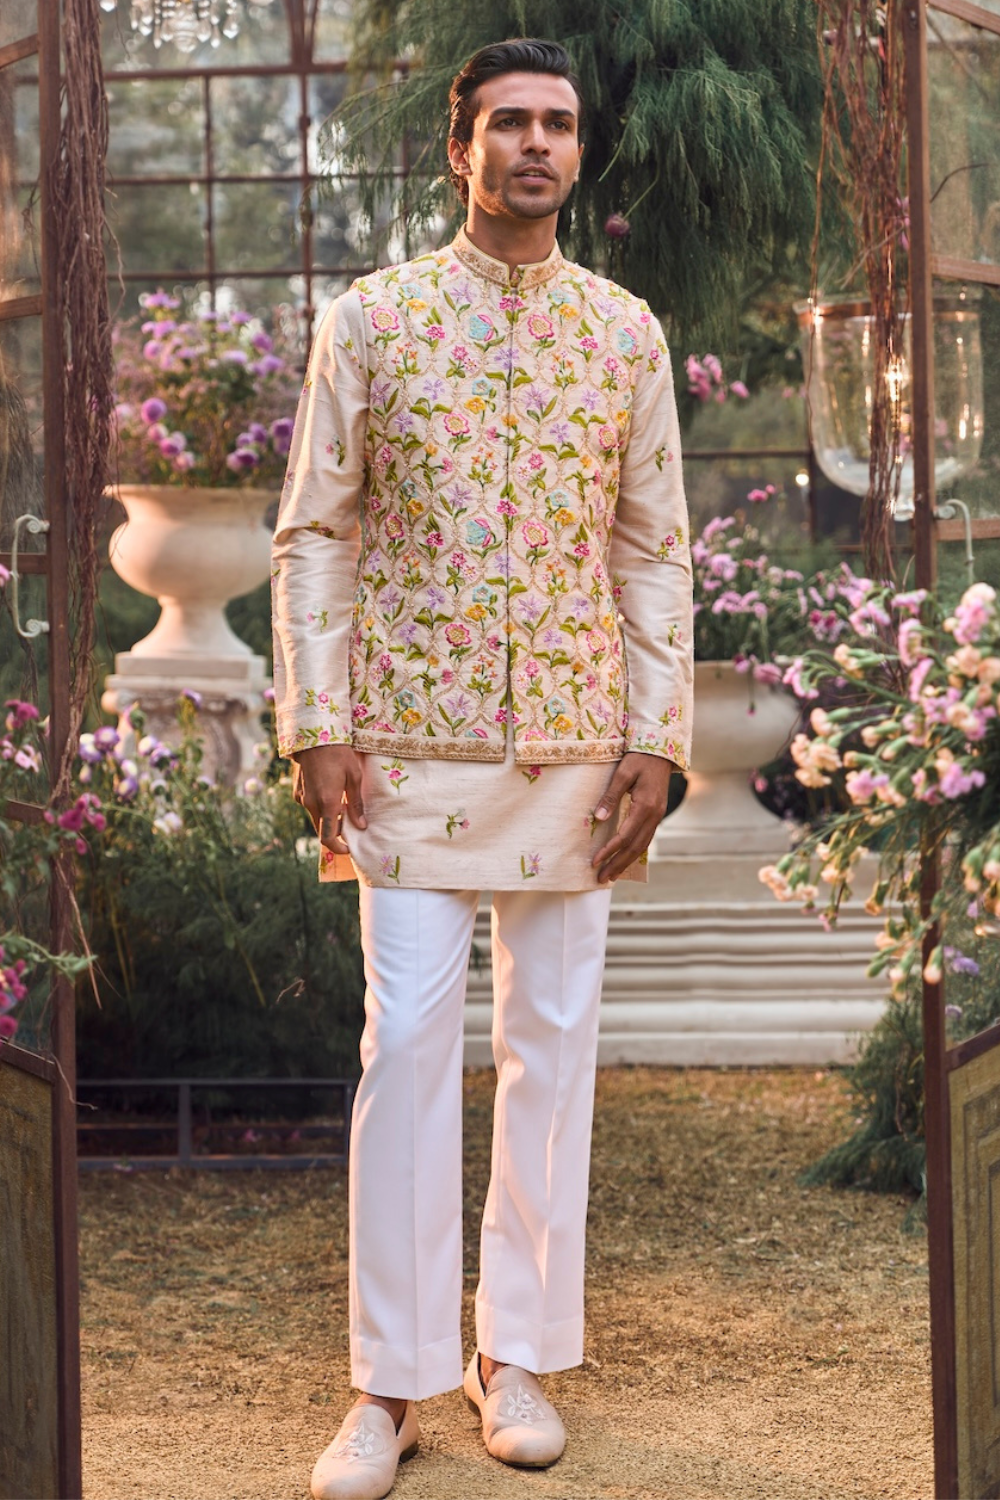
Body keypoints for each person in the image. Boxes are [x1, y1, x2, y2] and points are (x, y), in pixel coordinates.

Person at [271, 36, 693, 1500]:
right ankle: (385, 1384)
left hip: (576, 747)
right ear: (461, 149)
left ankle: (513, 1357)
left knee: (552, 1045)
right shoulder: (373, 322)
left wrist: (659, 739)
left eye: (557, 125)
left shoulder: (624, 334)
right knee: (404, 1050)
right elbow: (316, 530)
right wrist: (317, 720)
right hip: (401, 747)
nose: (536, 145)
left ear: (579, 151)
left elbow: (653, 548)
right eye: (509, 123)